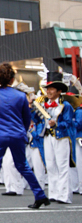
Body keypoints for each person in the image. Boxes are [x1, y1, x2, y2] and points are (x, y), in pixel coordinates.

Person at [0, 63, 49, 210]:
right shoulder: (20, 96)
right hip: (17, 133)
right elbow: (26, 117)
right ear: (12, 80)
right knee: (23, 166)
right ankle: (40, 195)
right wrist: (22, 132)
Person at [42, 74, 76, 204]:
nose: (48, 91)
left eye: (52, 89)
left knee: (62, 166)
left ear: (59, 91)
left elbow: (69, 123)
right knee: (50, 165)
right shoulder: (44, 104)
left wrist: (56, 124)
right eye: (48, 88)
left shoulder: (66, 105)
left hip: (61, 137)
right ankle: (54, 193)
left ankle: (64, 195)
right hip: (47, 136)